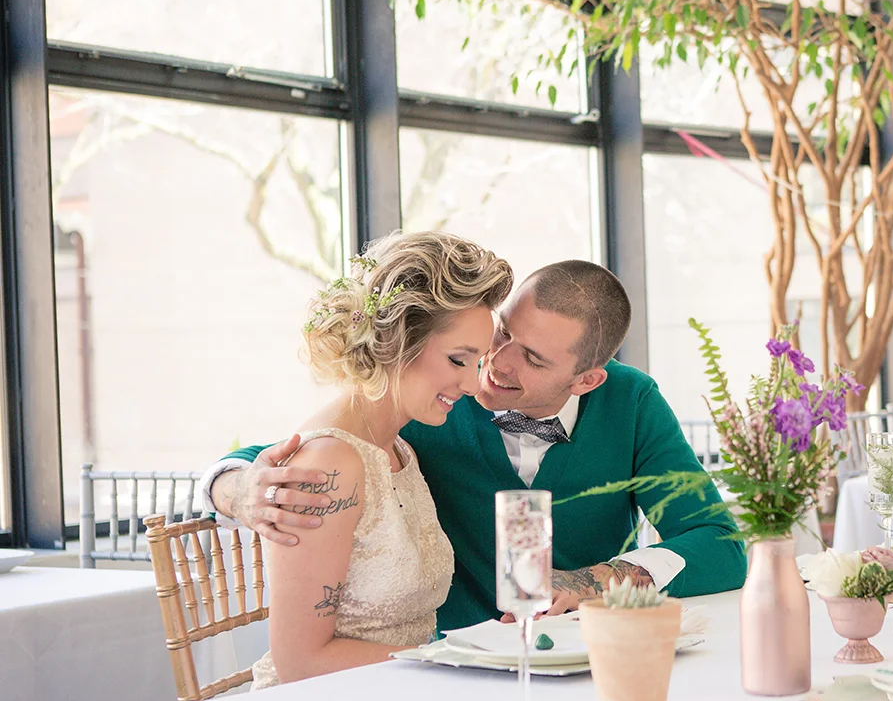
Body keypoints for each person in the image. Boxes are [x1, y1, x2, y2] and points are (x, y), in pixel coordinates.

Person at [206, 258, 747, 632]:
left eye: (533, 359)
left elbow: (719, 544)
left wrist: (594, 581)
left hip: (580, 661)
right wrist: (237, 489)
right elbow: (302, 451)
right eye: (504, 333)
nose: (497, 364)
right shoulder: (435, 392)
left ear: (586, 380)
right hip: (443, 668)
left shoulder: (631, 402)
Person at [246, 231, 513, 687]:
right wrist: (459, 658)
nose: (472, 386)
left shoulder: (399, 449)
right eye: (458, 360)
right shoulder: (329, 465)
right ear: (397, 341)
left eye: (478, 363)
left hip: (404, 693)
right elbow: (300, 663)